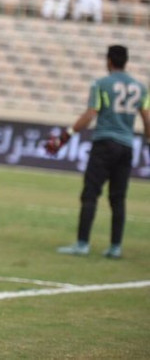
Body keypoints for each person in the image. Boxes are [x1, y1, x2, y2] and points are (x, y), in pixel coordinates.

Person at [46, 45, 150, 259]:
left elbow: (91, 114)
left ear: (109, 61)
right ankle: (115, 247)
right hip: (127, 145)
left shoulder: (102, 84)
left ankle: (82, 244)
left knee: (90, 194)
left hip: (104, 143)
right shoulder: (140, 88)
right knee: (118, 198)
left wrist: (65, 137)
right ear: (126, 61)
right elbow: (147, 118)